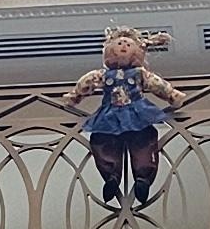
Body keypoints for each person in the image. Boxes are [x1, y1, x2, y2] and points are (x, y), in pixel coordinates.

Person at [74, 27, 184, 214]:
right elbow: (88, 82)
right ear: (109, 49)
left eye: (128, 44)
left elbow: (156, 84)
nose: (123, 46)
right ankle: (111, 176)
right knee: (103, 140)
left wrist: (171, 95)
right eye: (119, 44)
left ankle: (143, 176)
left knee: (143, 140)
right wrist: (76, 95)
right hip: (110, 114)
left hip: (136, 112)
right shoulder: (104, 75)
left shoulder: (139, 73)